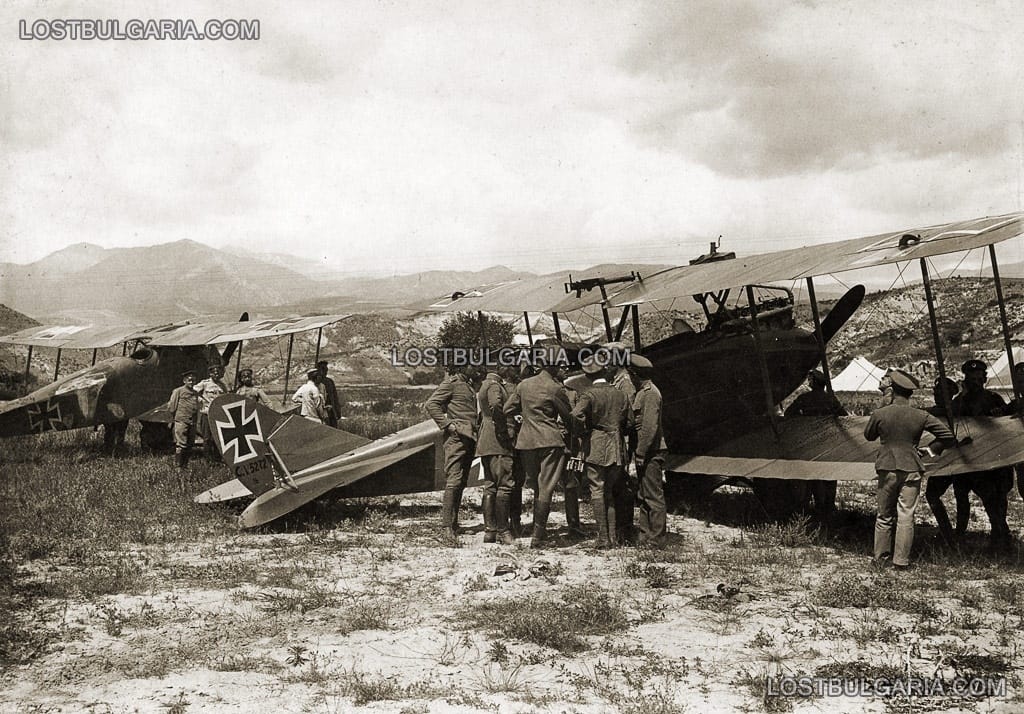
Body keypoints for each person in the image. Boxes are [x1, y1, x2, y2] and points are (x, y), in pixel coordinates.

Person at [864, 369, 955, 570]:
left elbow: (868, 436)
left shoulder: (880, 413)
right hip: (912, 467)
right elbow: (948, 436)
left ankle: (880, 558)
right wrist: (931, 450)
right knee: (906, 514)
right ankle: (901, 561)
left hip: (887, 467)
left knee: (884, 515)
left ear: (892, 389)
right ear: (910, 393)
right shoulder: (921, 415)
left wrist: (882, 406)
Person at [504, 346, 573, 549]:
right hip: (550, 441)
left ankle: (536, 531)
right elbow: (568, 417)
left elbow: (508, 409)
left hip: (526, 443)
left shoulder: (524, 385)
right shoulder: (555, 388)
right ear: (554, 366)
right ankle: (538, 536)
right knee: (546, 487)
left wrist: (524, 417)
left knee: (536, 486)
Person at [950, 359, 1014, 550]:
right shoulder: (959, 401)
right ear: (966, 380)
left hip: (994, 456)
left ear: (984, 379)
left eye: (979, 379)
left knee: (998, 499)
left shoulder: (994, 398)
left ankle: (1001, 534)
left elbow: (1007, 422)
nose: (976, 383)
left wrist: (998, 415)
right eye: (972, 379)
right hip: (970, 458)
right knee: (972, 497)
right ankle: (962, 536)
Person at [571, 357, 633, 548]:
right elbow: (629, 421)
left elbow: (575, 415)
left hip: (596, 445)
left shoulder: (588, 394)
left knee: (597, 490)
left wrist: (583, 432)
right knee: (609, 491)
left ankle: (603, 538)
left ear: (588, 375)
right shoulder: (620, 394)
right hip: (617, 446)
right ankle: (612, 537)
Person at [784, 369, 847, 517]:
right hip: (827, 443)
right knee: (828, 478)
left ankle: (803, 509)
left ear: (813, 382)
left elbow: (788, 413)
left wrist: (804, 422)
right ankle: (826, 508)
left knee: (807, 477)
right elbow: (844, 416)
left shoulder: (804, 398)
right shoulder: (831, 399)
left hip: (809, 443)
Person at [425, 365, 478, 538]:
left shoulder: (468, 384)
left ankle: (454, 524)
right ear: (464, 366)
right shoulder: (451, 383)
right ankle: (446, 526)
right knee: (454, 480)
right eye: (472, 365)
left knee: (461, 481)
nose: (476, 368)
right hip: (456, 438)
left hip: (469, 437)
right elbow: (431, 404)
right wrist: (448, 424)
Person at [923, 377, 972, 546]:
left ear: (951, 394)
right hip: (942, 460)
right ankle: (947, 532)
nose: (937, 395)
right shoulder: (932, 412)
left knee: (961, 495)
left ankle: (960, 532)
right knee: (932, 494)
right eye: (936, 392)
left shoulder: (960, 408)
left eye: (942, 393)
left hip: (960, 459)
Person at [629, 354, 669, 548]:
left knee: (653, 496)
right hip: (647, 451)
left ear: (635, 375)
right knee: (644, 495)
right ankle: (646, 535)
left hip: (652, 452)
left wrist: (641, 452)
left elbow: (649, 428)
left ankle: (657, 538)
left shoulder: (650, 393)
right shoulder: (643, 392)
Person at [476, 361, 515, 544]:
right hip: (498, 441)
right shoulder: (494, 385)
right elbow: (496, 407)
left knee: (490, 484)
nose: (509, 369)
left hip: (486, 440)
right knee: (505, 484)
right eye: (506, 366)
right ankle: (503, 530)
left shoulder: (485, 384)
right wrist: (503, 431)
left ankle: (490, 531)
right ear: (499, 368)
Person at [607, 342, 638, 544]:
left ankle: (624, 529)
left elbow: (629, 416)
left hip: (623, 439)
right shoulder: (617, 380)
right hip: (618, 438)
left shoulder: (625, 383)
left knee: (623, 485)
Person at [167, 370, 200, 470]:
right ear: (184, 381)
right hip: (182, 420)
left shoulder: (195, 393)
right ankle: (178, 466)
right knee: (181, 444)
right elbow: (172, 406)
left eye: (193, 380)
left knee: (190, 443)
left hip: (192, 421)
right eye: (189, 380)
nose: (191, 382)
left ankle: (185, 465)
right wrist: (173, 419)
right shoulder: (178, 391)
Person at [194, 363, 228, 459]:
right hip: (207, 414)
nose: (216, 375)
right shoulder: (204, 384)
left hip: (218, 415)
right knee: (207, 438)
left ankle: (218, 458)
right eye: (214, 373)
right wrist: (199, 400)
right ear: (210, 374)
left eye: (218, 373)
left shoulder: (222, 386)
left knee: (218, 438)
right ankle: (208, 460)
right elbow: (192, 392)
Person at [316, 360, 340, 428]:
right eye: (323, 369)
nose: (325, 372)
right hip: (321, 412)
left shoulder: (329, 381)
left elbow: (335, 397)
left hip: (331, 412)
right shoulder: (316, 383)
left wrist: (337, 411)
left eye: (326, 370)